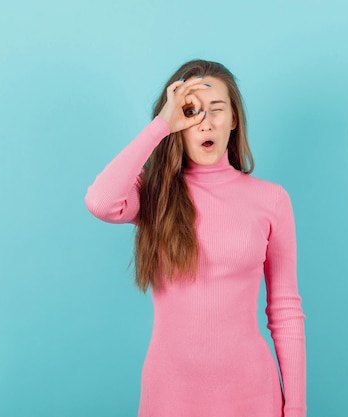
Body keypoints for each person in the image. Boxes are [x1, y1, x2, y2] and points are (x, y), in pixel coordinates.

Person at [85, 60, 306, 417]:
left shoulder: (272, 199)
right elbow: (99, 202)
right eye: (191, 112)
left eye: (217, 110)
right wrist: (160, 126)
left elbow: (285, 311)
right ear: (178, 123)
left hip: (253, 396)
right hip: (169, 397)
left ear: (234, 119)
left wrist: (295, 408)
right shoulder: (153, 194)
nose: (205, 122)